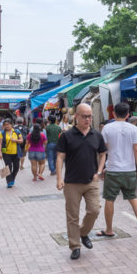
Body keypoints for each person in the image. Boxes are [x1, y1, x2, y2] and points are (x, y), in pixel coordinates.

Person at [56, 104, 106, 260]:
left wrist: (99, 171)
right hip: (71, 183)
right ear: (76, 116)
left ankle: (83, 233)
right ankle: (75, 246)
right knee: (72, 216)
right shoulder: (67, 136)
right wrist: (59, 178)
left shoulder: (96, 135)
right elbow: (60, 157)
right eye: (84, 116)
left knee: (94, 210)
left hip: (91, 181)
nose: (88, 119)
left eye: (90, 116)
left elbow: (103, 153)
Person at [99, 102, 137, 239]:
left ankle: (109, 229)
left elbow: (103, 150)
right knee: (133, 197)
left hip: (113, 169)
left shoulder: (107, 128)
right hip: (129, 169)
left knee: (109, 199)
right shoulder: (133, 129)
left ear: (113, 113)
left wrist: (102, 167)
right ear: (128, 115)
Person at [0, 119, 22, 188]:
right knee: (8, 168)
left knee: (16, 167)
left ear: (11, 124)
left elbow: (21, 140)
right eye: (5, 125)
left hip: (16, 153)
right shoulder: (2, 133)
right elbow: (0, 144)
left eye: (8, 124)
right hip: (6, 153)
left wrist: (16, 140)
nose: (6, 126)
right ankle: (9, 182)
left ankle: (12, 178)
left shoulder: (16, 132)